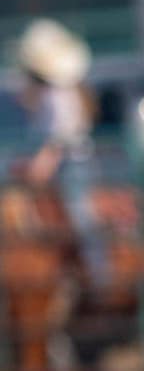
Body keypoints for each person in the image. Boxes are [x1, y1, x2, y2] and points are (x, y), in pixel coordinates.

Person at [14, 18, 109, 288]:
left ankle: (98, 270)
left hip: (71, 165)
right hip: (56, 164)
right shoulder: (49, 94)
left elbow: (61, 137)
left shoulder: (61, 94)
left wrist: (42, 164)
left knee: (79, 212)